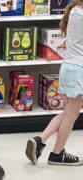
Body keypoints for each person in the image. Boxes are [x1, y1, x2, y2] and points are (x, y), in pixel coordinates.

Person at [25, 0, 83, 166]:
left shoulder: (74, 10)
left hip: (68, 67)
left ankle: (40, 140)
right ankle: (57, 154)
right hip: (78, 70)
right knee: (72, 114)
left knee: (68, 112)